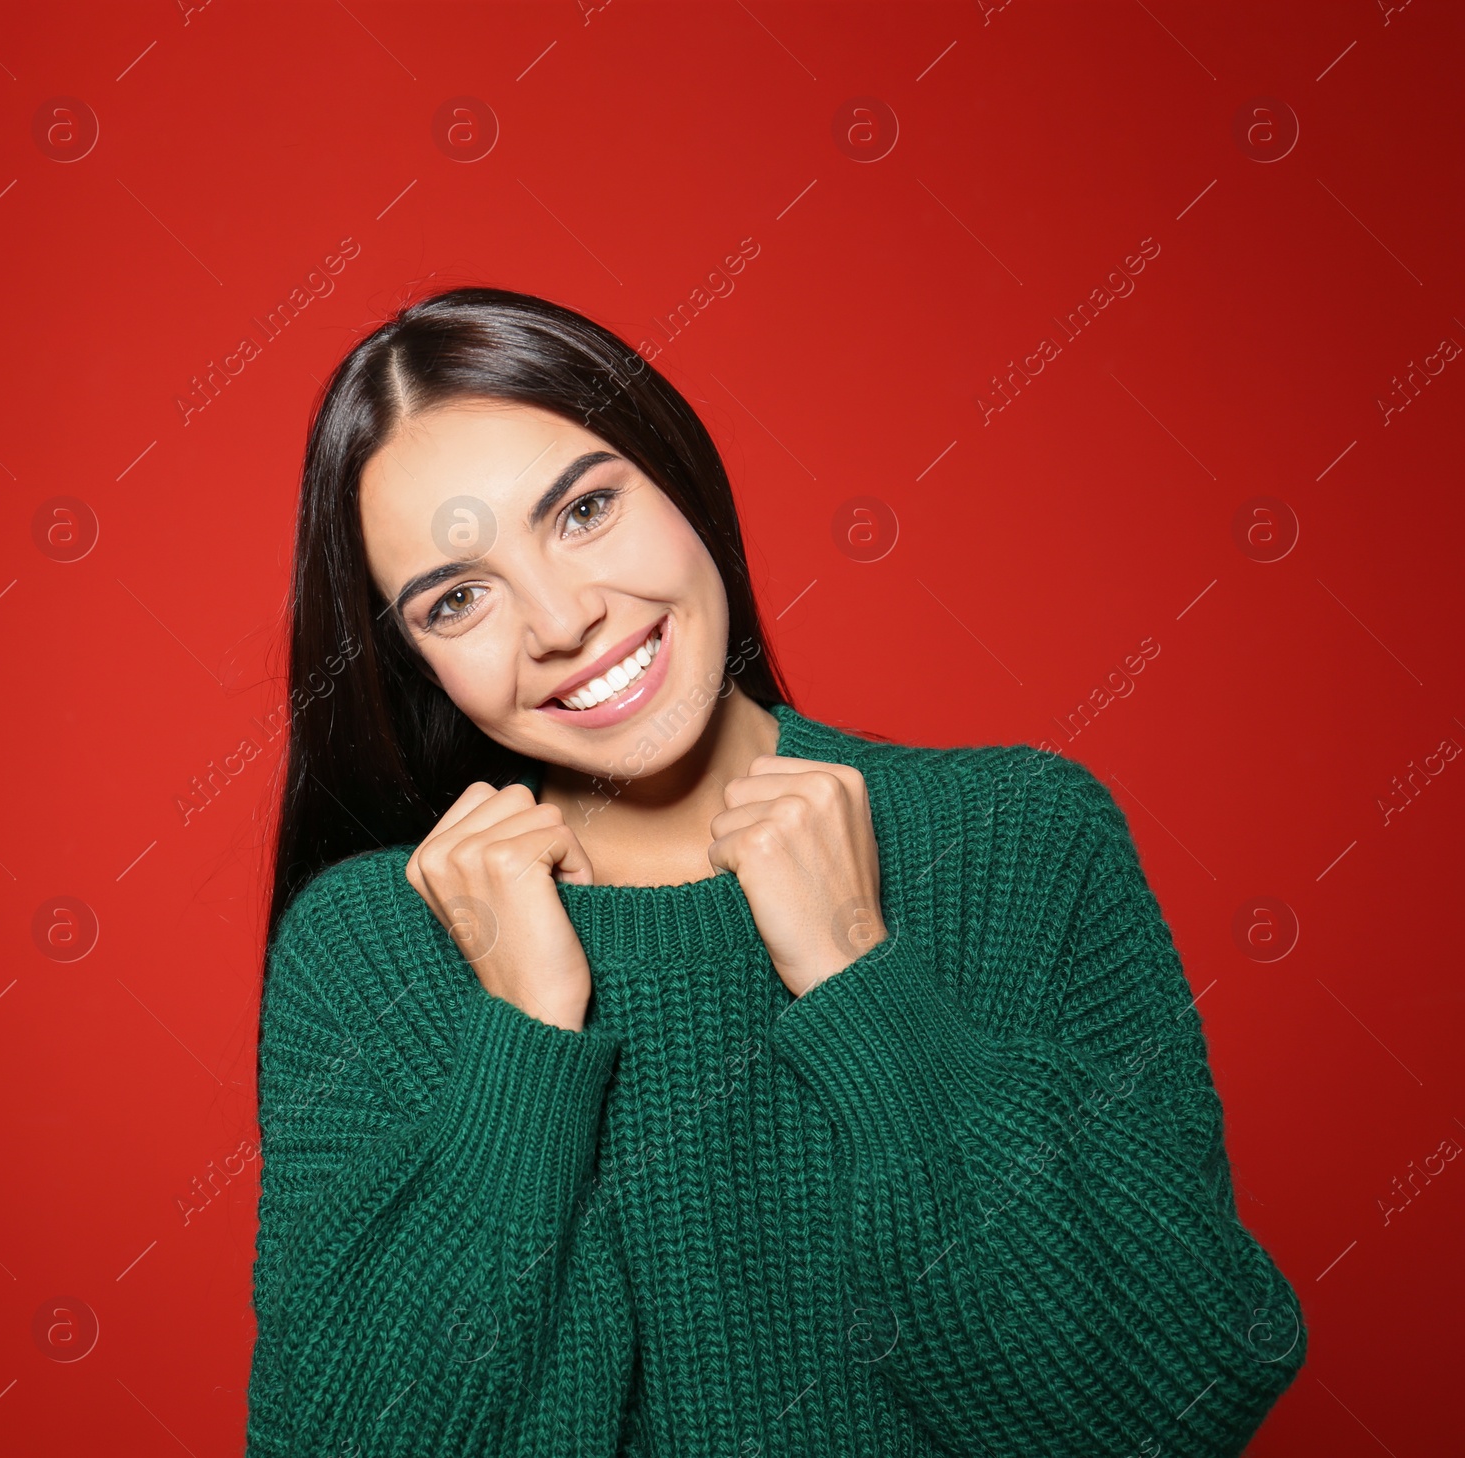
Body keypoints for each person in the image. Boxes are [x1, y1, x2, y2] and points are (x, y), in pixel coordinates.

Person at [247, 286, 1306, 1457]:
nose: (561, 619)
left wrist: (864, 987)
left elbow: (1164, 1408)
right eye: (458, 598)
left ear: (681, 479)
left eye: (585, 510)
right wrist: (522, 1045)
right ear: (413, 663)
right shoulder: (371, 948)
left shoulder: (1018, 835)